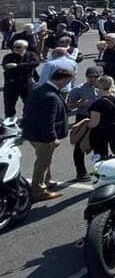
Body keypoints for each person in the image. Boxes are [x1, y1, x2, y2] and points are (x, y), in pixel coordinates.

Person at [22, 68, 73, 201]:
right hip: (42, 136)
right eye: (68, 80)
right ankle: (38, 190)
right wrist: (52, 138)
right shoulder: (51, 96)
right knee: (43, 161)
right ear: (62, 79)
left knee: (46, 159)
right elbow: (48, 120)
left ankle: (46, 181)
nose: (68, 83)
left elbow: (26, 109)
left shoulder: (40, 89)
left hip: (32, 132)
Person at [66, 66, 101, 181]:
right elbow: (69, 106)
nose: (92, 79)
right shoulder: (78, 89)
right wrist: (77, 105)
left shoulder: (103, 88)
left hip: (99, 118)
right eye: (89, 77)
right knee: (80, 146)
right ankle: (81, 172)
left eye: (95, 77)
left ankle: (100, 170)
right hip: (83, 118)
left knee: (99, 146)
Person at [87, 75, 115, 159]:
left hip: (102, 131)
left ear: (99, 88)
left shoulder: (97, 104)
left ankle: (105, 169)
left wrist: (85, 124)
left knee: (101, 154)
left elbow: (94, 123)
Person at [2, 40, 39, 119]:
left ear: (25, 48)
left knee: (29, 103)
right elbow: (6, 66)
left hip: (27, 83)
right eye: (14, 47)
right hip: (12, 84)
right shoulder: (8, 57)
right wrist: (24, 66)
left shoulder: (31, 55)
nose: (15, 49)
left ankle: (27, 119)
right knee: (9, 105)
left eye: (18, 47)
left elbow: (36, 63)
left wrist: (18, 65)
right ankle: (9, 120)